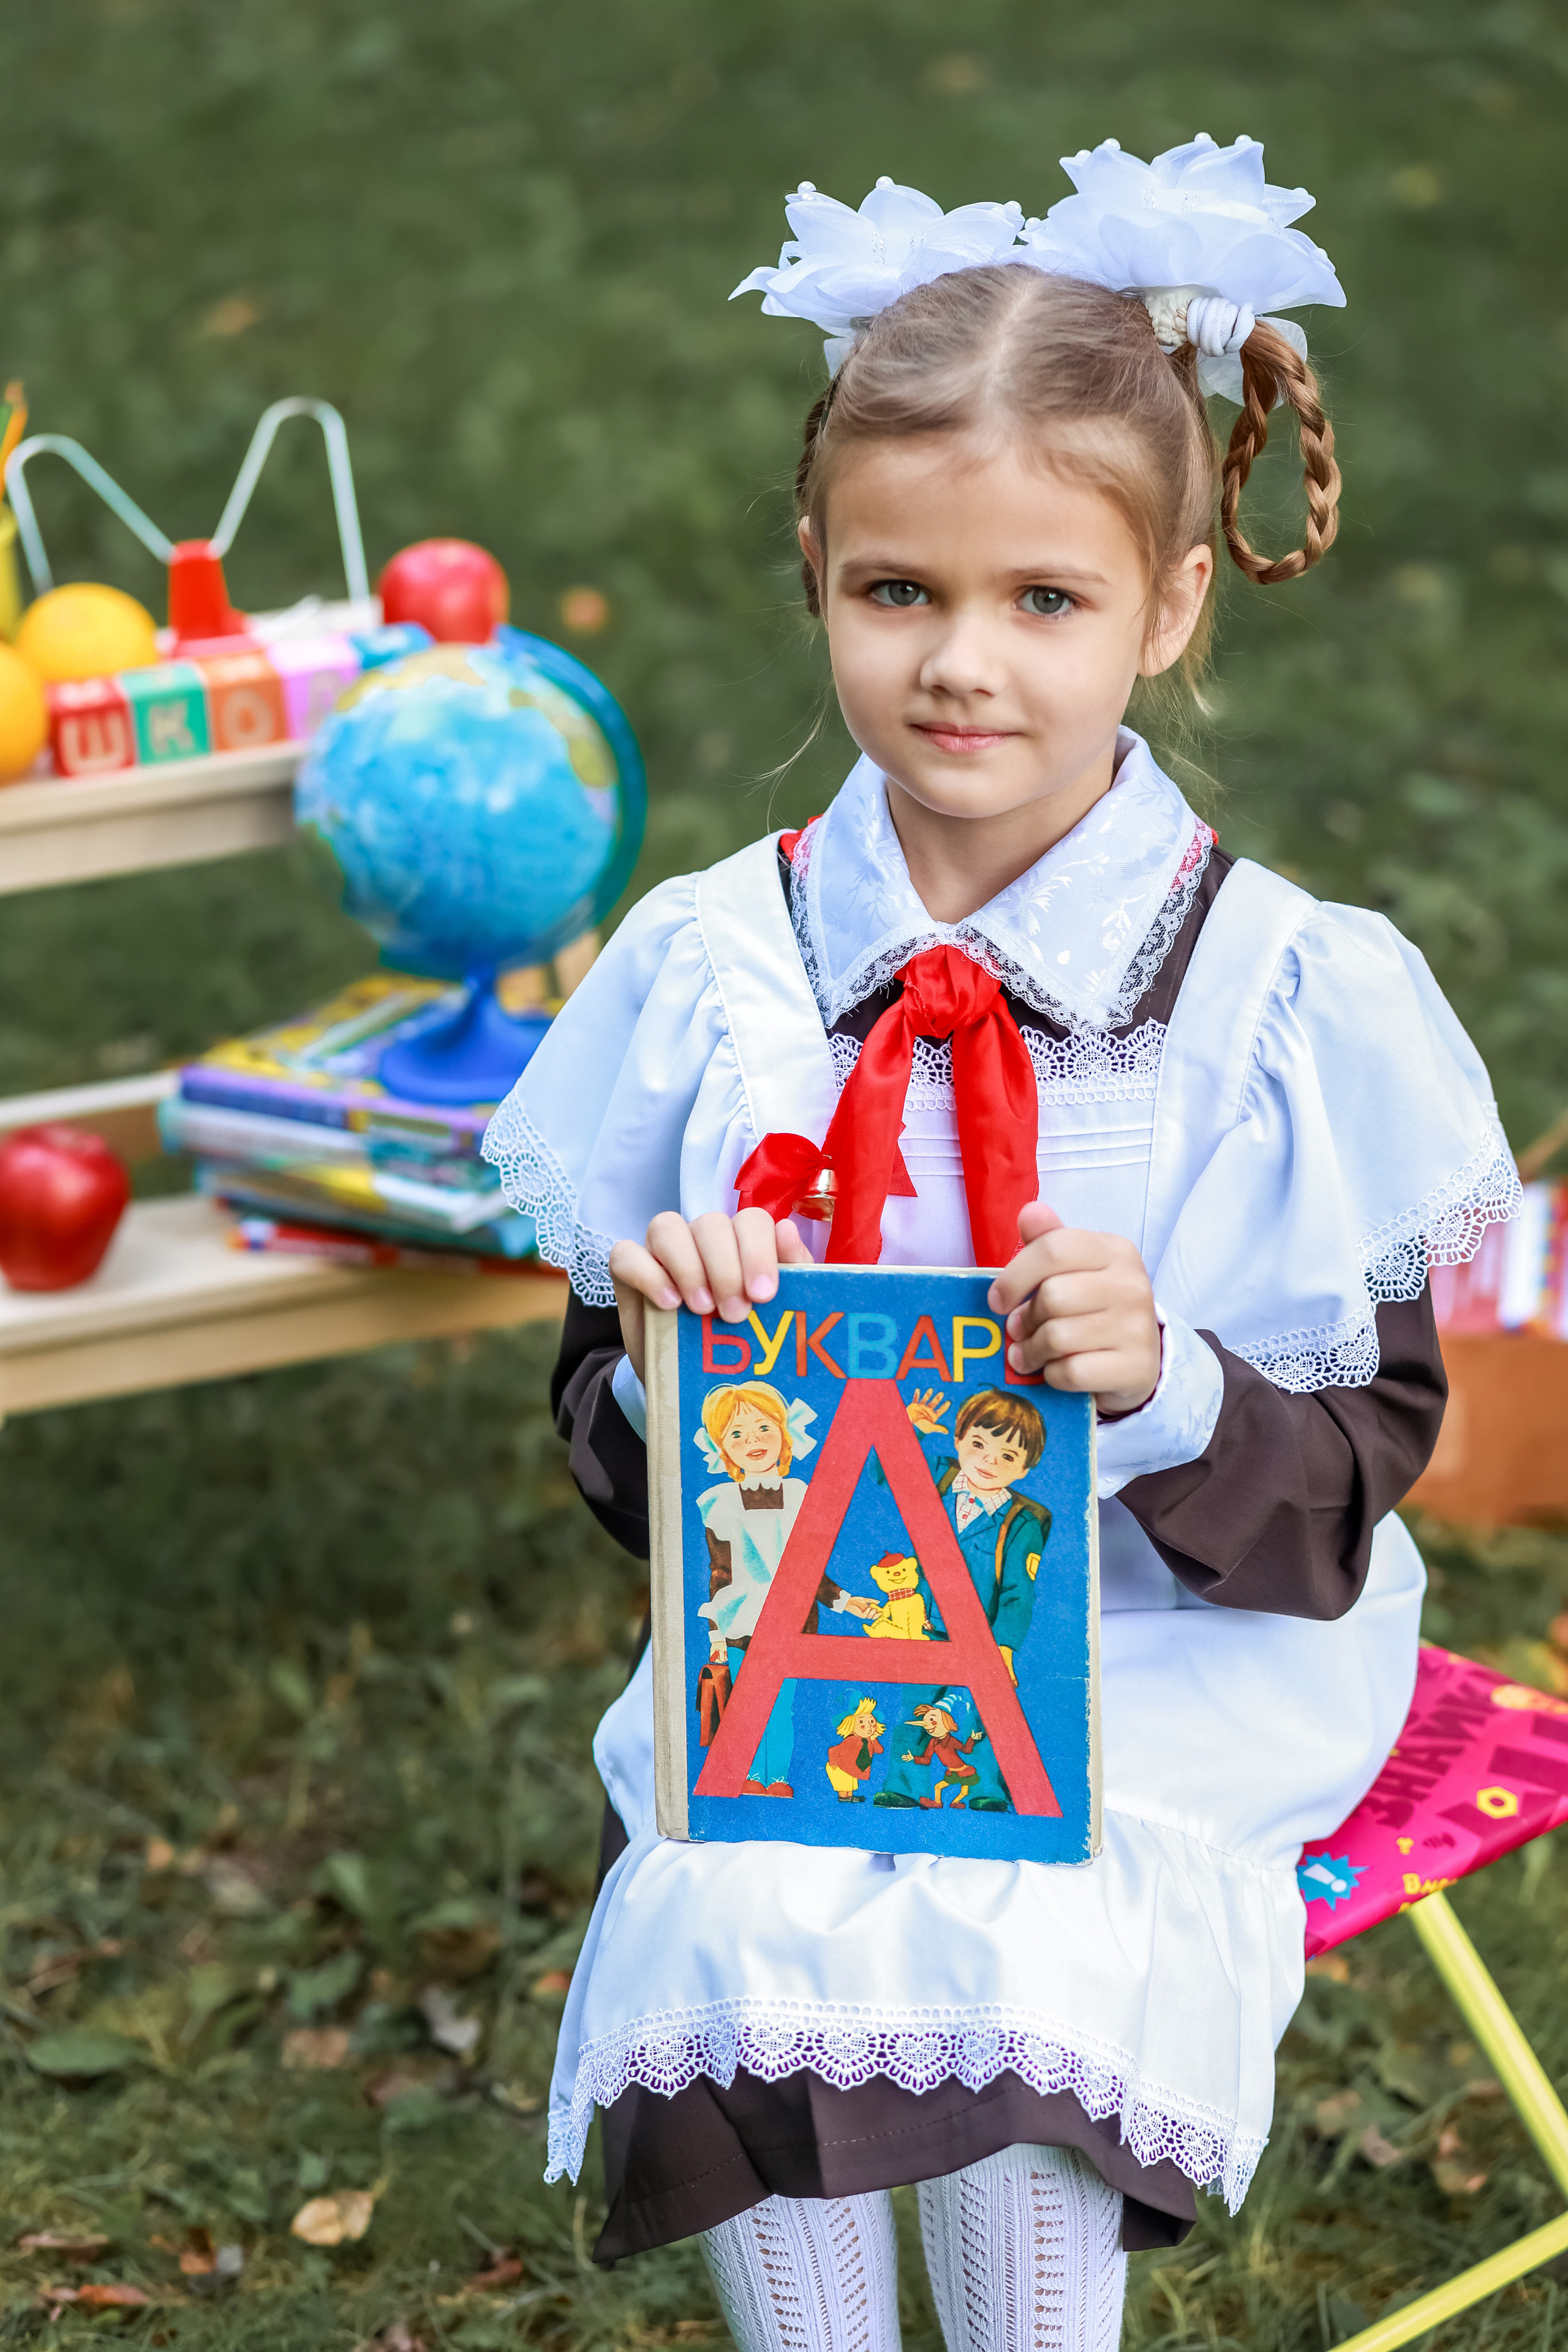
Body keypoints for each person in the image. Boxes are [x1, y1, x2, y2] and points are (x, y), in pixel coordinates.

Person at [484, 136, 1516, 2352]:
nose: (959, 666)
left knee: (1035, 1927)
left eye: (1040, 601)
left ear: (1162, 608)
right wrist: (678, 1354)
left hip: (1173, 1640)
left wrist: (1160, 1383)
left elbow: (1360, 1449)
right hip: (837, 1648)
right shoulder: (720, 971)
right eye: (895, 593)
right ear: (814, 571)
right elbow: (609, 1428)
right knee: (739, 1900)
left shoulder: (1260, 999)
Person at [693, 1380, 875, 1796]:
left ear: (784, 1434)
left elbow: (808, 1568)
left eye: (763, 1428)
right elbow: (719, 1571)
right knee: (744, 1707)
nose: (751, 1441)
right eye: (736, 1434)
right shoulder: (719, 1501)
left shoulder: (800, 1496)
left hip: (790, 1623)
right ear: (724, 1449)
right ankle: (750, 1776)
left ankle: (777, 1779)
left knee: (780, 1709)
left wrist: (846, 1602)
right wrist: (716, 1634)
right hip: (740, 1620)